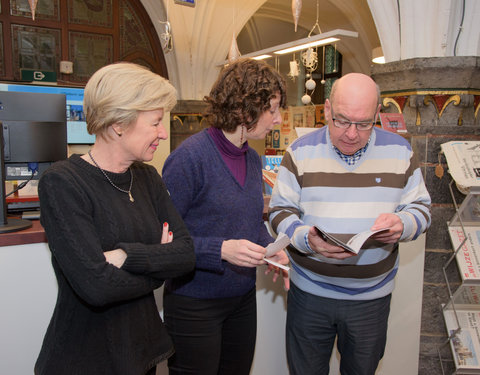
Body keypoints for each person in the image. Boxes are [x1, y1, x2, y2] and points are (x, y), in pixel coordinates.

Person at [35, 62, 195, 375]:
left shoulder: (148, 178)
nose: (163, 133)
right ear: (118, 124)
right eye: (155, 123)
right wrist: (160, 267)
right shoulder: (62, 183)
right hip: (84, 360)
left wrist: (125, 255)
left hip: (141, 354)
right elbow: (96, 287)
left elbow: (186, 254)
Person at [268, 73, 431, 375]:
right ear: (327, 110)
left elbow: (421, 208)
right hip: (310, 295)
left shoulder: (400, 151)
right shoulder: (300, 151)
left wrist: (403, 224)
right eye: (342, 120)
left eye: (364, 123)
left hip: (371, 298)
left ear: (377, 115)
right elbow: (280, 211)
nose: (352, 134)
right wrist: (306, 239)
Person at [161, 58, 290, 375]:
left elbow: (246, 224)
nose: (278, 119)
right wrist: (220, 250)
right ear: (246, 108)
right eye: (272, 110)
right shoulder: (189, 159)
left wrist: (272, 250)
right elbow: (163, 242)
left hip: (242, 299)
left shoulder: (253, 159)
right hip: (194, 304)